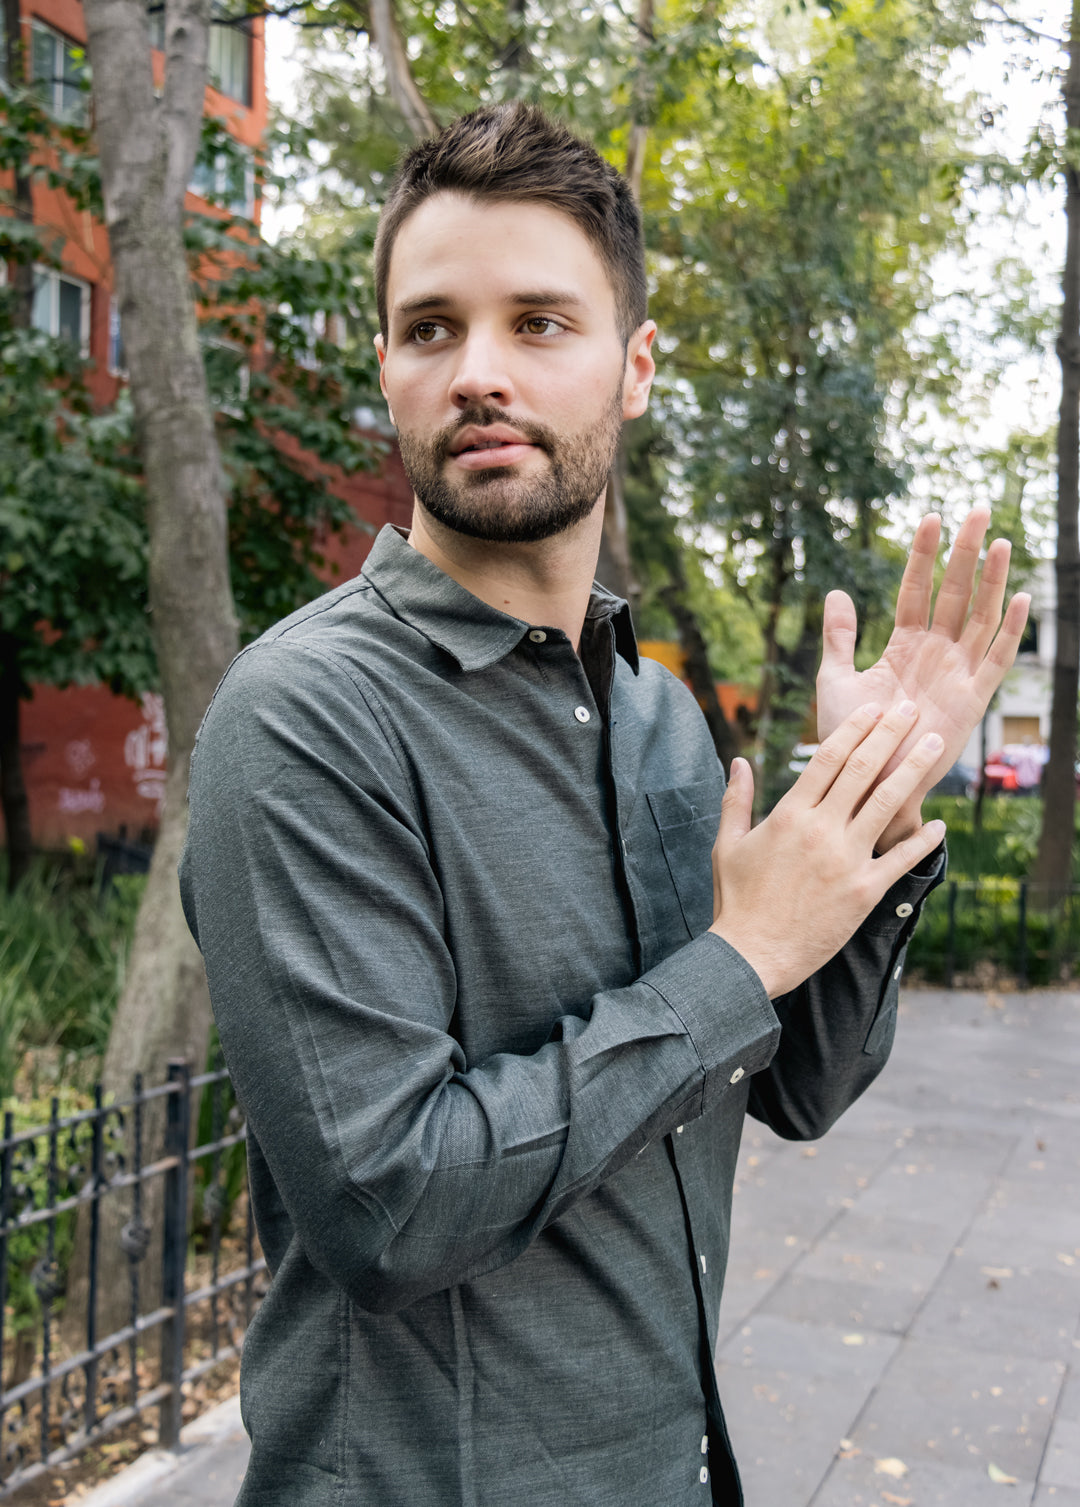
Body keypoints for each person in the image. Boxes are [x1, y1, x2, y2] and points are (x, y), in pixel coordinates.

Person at [178, 103, 1030, 1507]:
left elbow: (799, 1086)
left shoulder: (657, 716)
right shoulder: (306, 719)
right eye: (432, 327)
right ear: (387, 366)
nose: (478, 372)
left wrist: (864, 802)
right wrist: (738, 957)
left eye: (540, 323)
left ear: (634, 369)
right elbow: (388, 1203)